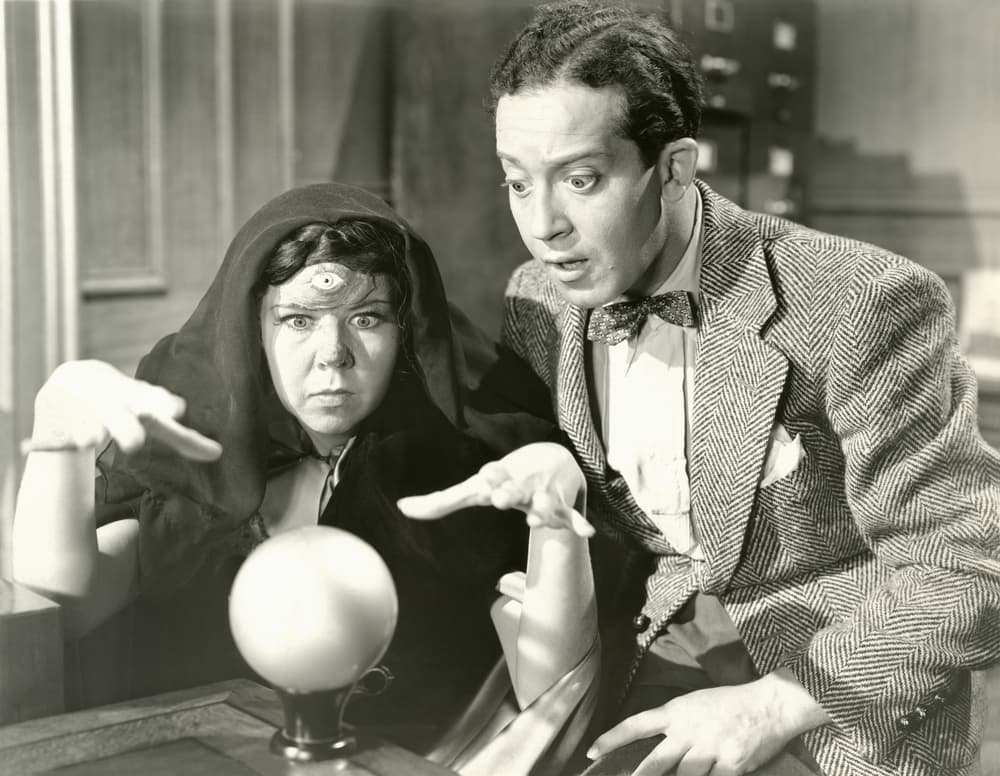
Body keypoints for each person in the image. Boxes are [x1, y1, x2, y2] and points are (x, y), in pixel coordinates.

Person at [400, 2, 1000, 775]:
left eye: (581, 180)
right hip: (641, 654)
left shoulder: (861, 300)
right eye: (518, 183)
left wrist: (772, 705)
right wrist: (549, 467)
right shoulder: (539, 297)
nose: (543, 224)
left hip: (826, 684)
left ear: (675, 168)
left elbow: (969, 567)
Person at [11, 182, 597, 760]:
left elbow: (550, 697)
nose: (333, 354)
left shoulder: (466, 466)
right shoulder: (198, 457)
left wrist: (558, 526)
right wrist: (56, 432)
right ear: (253, 329)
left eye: (367, 319)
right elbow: (66, 610)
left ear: (406, 332)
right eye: (297, 320)